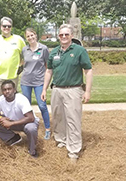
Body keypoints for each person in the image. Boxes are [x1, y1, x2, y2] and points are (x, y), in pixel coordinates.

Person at [41, 24, 93, 161]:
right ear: (58, 36)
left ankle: (73, 151)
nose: (63, 37)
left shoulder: (79, 51)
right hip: (57, 89)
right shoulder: (54, 52)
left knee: (73, 120)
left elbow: (88, 71)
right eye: (61, 35)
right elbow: (49, 71)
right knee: (58, 118)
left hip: (73, 90)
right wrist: (44, 89)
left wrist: (87, 91)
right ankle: (61, 140)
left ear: (72, 36)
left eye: (66, 34)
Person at [0, 80, 39, 158]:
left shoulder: (21, 99)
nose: (7, 91)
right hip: (11, 121)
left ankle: (32, 151)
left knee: (31, 128)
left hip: (27, 122)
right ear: (2, 91)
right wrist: (0, 118)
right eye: (4, 90)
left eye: (9, 89)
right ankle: (13, 138)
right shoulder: (0, 100)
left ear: (14, 90)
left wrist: (11, 123)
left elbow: (31, 118)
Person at [0, 17, 26, 101]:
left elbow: (25, 54)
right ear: (0, 26)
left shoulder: (19, 40)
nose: (7, 28)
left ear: (11, 27)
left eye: (9, 26)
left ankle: (10, 115)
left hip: (13, 76)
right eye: (4, 26)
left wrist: (22, 65)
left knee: (12, 101)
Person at [20, 28, 51, 140]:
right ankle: (28, 127)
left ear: (36, 35)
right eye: (28, 36)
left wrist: (46, 82)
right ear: (26, 38)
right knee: (26, 107)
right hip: (26, 82)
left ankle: (47, 129)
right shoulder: (24, 50)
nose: (30, 38)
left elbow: (48, 66)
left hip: (39, 82)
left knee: (42, 105)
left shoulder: (43, 49)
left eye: (32, 35)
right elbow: (23, 63)